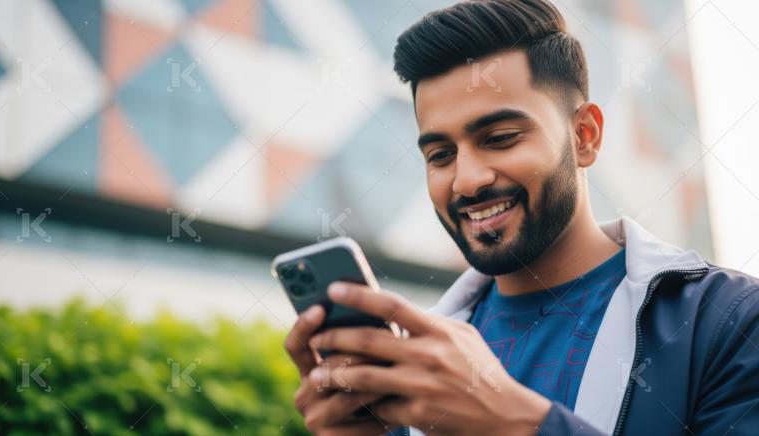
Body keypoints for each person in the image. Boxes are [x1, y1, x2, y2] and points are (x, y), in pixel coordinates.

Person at [284, 1, 759, 434]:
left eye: (500, 137)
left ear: (585, 136)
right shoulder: (413, 365)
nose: (466, 181)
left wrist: (519, 423)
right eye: (441, 154)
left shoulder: (729, 321)